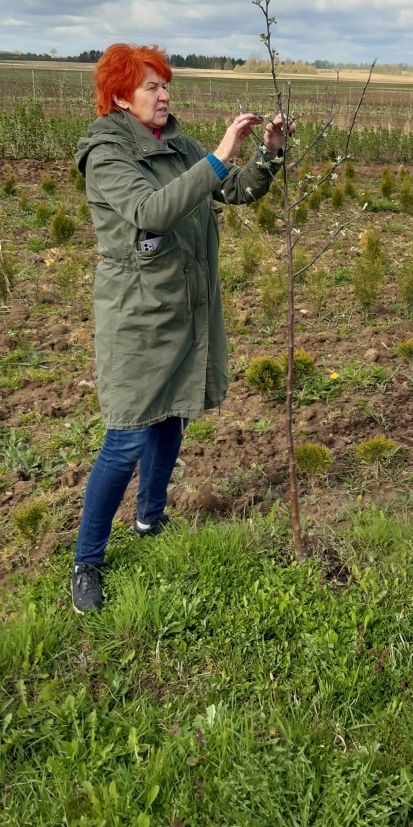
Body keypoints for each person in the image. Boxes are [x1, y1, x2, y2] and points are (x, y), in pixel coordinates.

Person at [71, 43, 292, 614]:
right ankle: (87, 561)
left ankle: (150, 518)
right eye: (151, 87)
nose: (164, 94)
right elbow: (151, 212)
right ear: (119, 95)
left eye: (165, 85)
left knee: (172, 416)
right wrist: (218, 154)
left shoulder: (180, 145)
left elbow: (237, 191)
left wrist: (266, 153)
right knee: (125, 438)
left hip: (188, 308)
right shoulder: (107, 154)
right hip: (137, 317)